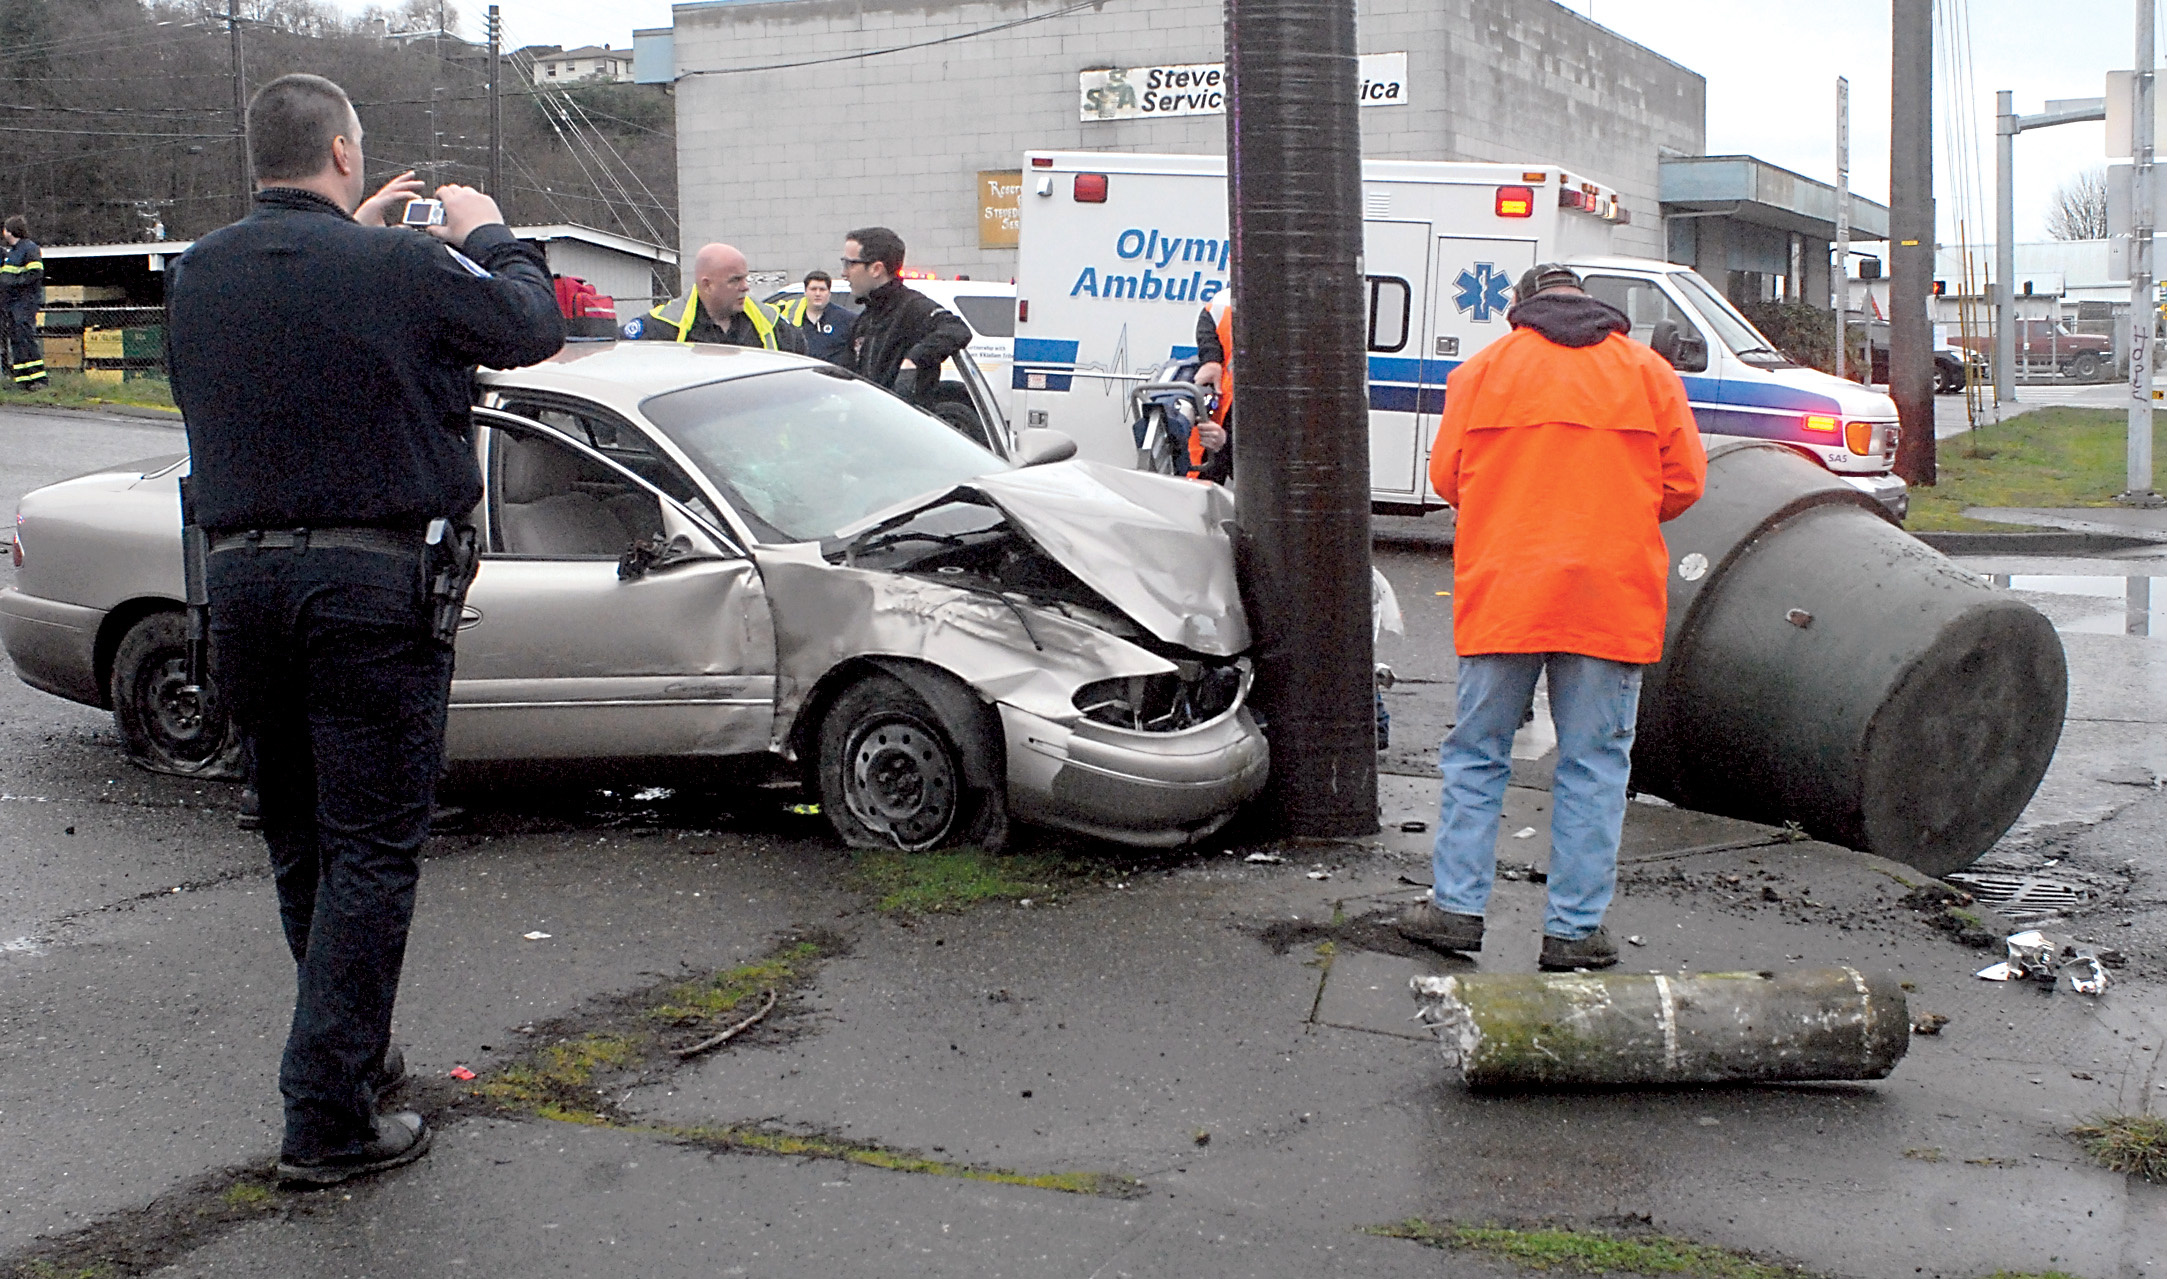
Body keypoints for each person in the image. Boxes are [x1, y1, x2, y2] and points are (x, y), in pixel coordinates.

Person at [164, 73, 562, 1185]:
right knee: (373, 848)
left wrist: (362, 237)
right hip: (368, 586)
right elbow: (529, 329)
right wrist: (493, 237)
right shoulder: (400, 266)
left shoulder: (199, 273)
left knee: (299, 838)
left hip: (240, 585)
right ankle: (327, 1113)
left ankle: (350, 1055)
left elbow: (285, 344)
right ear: (344, 151)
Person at [1396, 262, 1705, 972]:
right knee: (1593, 763)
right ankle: (1573, 929)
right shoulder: (1647, 373)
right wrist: (1618, 514)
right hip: (1608, 594)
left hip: (1506, 589)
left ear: (1521, 306)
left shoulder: (1482, 371)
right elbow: (1684, 481)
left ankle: (1456, 908)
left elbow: (1448, 477)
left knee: (1477, 754)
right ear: (1587, 301)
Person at [838, 226, 971, 402]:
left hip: (905, 423)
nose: (844, 273)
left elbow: (957, 330)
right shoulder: (865, 319)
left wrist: (913, 360)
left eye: (850, 264)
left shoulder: (913, 308)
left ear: (876, 269)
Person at [624, 242, 805, 353]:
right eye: (735, 280)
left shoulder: (773, 326)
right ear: (707, 285)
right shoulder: (662, 328)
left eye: (745, 278)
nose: (745, 287)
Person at [1188, 296, 1234, 482]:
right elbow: (1211, 315)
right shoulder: (1225, 302)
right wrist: (1211, 360)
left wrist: (1227, 443)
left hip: (1246, 441)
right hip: (1216, 423)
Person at [0, 215, 46, 390]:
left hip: (25, 302)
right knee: (16, 340)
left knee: (25, 338)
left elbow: (35, 274)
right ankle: (23, 380)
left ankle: (39, 379)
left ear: (10, 231)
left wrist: (13, 283)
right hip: (11, 304)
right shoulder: (10, 252)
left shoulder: (29, 249)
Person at [780, 269, 855, 365]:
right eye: (813, 289)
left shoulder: (846, 319)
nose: (818, 294)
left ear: (829, 293)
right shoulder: (793, 318)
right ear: (805, 292)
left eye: (822, 289)